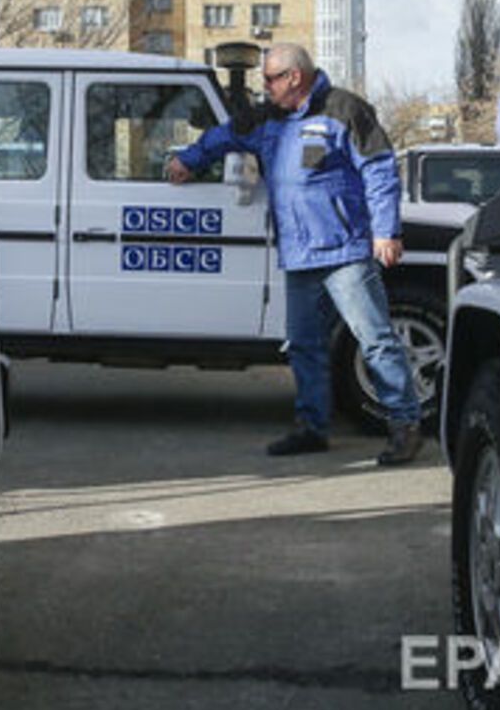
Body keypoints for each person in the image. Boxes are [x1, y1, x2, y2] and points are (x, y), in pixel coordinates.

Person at [166, 43, 422, 465]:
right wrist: (189, 160)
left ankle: (405, 425)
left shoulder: (344, 109)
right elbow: (224, 135)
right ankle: (311, 428)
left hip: (345, 252)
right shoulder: (267, 118)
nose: (264, 88)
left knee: (375, 341)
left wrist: (385, 232)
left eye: (270, 79)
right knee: (304, 345)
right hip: (299, 255)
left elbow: (379, 170)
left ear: (294, 78)